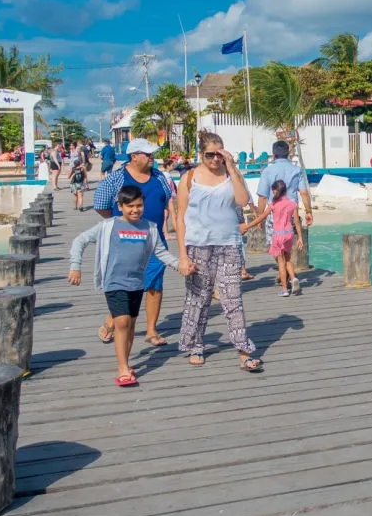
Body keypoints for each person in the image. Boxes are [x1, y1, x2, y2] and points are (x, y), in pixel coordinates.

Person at [69, 185, 193, 386]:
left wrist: (179, 265)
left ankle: (125, 361)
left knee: (131, 325)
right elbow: (79, 240)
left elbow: (160, 253)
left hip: (136, 282)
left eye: (139, 206)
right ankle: (123, 368)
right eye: (130, 206)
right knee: (122, 322)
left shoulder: (150, 228)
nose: (135, 210)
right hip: (113, 282)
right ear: (120, 206)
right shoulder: (108, 226)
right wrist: (75, 267)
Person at [176, 131, 262, 372]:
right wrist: (182, 255)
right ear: (200, 154)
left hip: (229, 244)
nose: (215, 159)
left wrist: (232, 167)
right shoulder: (189, 177)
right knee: (198, 298)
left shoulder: (230, 173)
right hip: (197, 245)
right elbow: (179, 217)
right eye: (209, 155)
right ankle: (196, 343)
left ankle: (243, 350)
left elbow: (243, 200)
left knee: (232, 298)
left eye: (219, 154)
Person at [93, 138, 173, 346]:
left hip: (154, 239)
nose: (151, 158)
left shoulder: (160, 177)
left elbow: (166, 201)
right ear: (134, 156)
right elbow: (101, 206)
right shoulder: (116, 179)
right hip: (125, 242)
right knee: (126, 284)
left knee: (154, 284)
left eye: (152, 154)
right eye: (147, 155)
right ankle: (112, 319)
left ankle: (151, 330)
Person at [243, 179, 304, 296]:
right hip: (289, 234)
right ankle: (293, 278)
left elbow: (261, 218)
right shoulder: (292, 204)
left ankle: (285, 289)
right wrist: (300, 237)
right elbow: (296, 222)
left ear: (275, 191)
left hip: (278, 235)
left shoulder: (274, 205)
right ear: (285, 191)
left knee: (281, 262)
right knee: (288, 259)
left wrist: (248, 226)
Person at [256, 140, 313, 251]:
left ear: (273, 154)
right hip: (292, 212)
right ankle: (287, 266)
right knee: (289, 247)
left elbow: (262, 197)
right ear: (288, 154)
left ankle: (283, 267)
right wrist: (308, 211)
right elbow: (304, 193)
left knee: (275, 246)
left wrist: (260, 217)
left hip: (274, 213)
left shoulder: (267, 171)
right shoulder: (297, 170)